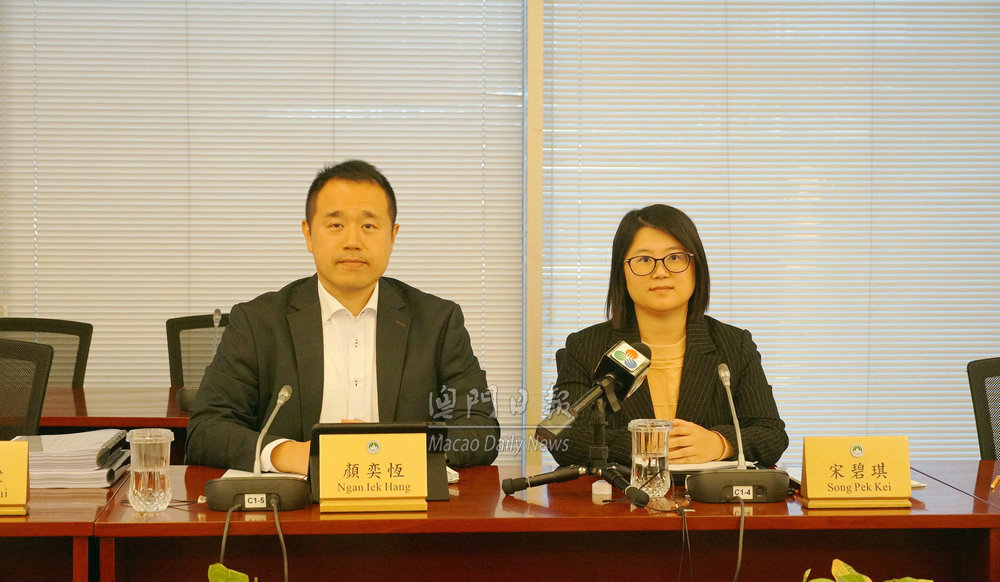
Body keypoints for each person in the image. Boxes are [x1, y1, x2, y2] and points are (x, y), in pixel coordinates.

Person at [186, 159, 500, 474]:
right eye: (336, 225)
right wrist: (289, 454)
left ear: (392, 236)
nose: (352, 241)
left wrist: (393, 451)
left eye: (369, 226)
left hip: (403, 495)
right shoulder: (258, 322)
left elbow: (480, 427)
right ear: (308, 234)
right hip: (297, 499)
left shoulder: (437, 322)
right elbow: (206, 430)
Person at [544, 204, 787, 468]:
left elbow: (771, 433)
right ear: (621, 272)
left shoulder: (733, 345)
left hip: (705, 493)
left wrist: (719, 443)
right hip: (620, 492)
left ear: (696, 267)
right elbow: (559, 435)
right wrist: (646, 444)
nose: (660, 272)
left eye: (675, 258)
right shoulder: (585, 347)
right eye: (644, 260)